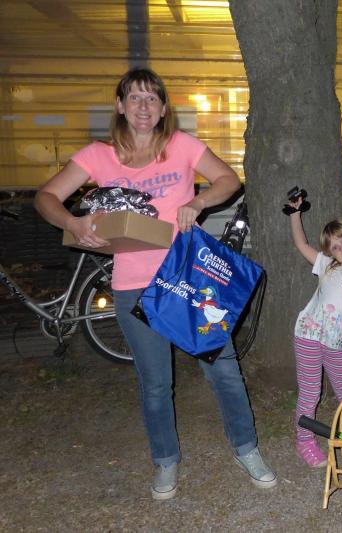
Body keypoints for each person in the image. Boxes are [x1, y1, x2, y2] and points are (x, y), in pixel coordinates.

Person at [34, 67, 277, 499]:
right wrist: (72, 222)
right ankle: (165, 461)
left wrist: (198, 201)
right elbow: (45, 197)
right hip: (132, 285)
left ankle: (246, 448)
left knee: (224, 370)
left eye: (152, 98)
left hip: (187, 280)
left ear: (164, 108)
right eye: (134, 97)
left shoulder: (181, 146)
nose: (143, 106)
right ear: (120, 106)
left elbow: (228, 179)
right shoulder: (98, 155)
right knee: (155, 384)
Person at [287, 194, 342, 467]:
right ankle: (304, 441)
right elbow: (301, 244)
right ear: (331, 254)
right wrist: (295, 215)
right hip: (308, 336)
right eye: (334, 247)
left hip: (338, 344)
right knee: (311, 393)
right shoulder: (328, 265)